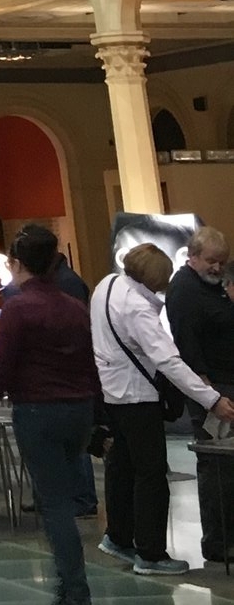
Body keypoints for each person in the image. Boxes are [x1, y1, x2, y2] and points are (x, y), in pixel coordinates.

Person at [0, 222, 103, 605]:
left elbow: (2, 367)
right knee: (65, 494)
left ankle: (75, 590)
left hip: (38, 411)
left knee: (55, 505)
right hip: (78, 409)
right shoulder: (75, 307)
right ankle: (69, 585)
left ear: (16, 263)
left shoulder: (18, 309)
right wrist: (99, 415)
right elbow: (90, 364)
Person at [92, 242, 234, 575]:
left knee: (122, 467)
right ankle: (151, 554)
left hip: (112, 393)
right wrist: (211, 399)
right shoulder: (137, 309)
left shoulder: (106, 285)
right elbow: (168, 361)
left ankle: (118, 537)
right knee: (152, 474)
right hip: (138, 397)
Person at [168, 227, 234, 563]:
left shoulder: (212, 289)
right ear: (192, 257)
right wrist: (210, 397)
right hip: (212, 390)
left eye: (221, 262)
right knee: (217, 465)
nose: (217, 267)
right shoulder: (184, 290)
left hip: (224, 384)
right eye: (211, 261)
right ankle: (218, 541)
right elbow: (187, 345)